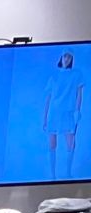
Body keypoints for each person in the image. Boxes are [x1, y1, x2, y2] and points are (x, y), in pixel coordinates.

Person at [42, 51, 84, 180]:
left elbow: (79, 94)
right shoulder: (54, 75)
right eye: (65, 56)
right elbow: (48, 98)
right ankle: (52, 175)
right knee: (52, 144)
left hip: (68, 113)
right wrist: (44, 118)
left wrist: (77, 111)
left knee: (71, 143)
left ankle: (68, 173)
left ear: (72, 59)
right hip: (54, 113)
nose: (67, 59)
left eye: (69, 57)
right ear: (61, 57)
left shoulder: (76, 75)